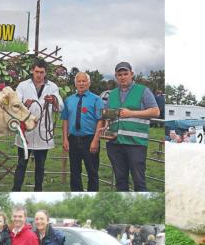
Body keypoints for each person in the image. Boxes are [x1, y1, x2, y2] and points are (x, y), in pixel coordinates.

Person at [101, 61, 160, 191]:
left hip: (136, 144)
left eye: (125, 73)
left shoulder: (143, 91)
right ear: (116, 76)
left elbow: (156, 111)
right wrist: (105, 126)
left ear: (132, 74)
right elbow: (108, 115)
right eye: (119, 74)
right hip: (115, 143)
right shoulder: (112, 94)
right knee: (120, 180)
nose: (123, 77)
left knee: (139, 181)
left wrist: (131, 113)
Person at [13, 60, 63, 192]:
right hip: (26, 133)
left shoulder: (52, 87)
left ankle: (38, 190)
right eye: (36, 72)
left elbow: (61, 106)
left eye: (41, 72)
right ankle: (16, 190)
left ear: (45, 72)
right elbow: (15, 105)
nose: (39, 75)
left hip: (42, 132)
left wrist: (54, 100)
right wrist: (25, 104)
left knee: (40, 166)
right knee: (21, 164)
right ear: (32, 71)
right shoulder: (23, 86)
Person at [61, 72, 104, 192]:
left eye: (84, 81)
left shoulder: (96, 100)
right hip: (73, 139)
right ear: (75, 83)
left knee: (92, 171)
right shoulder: (68, 100)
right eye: (78, 81)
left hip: (90, 139)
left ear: (89, 83)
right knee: (74, 172)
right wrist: (65, 139)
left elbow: (100, 121)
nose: (81, 83)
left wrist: (96, 140)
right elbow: (65, 120)